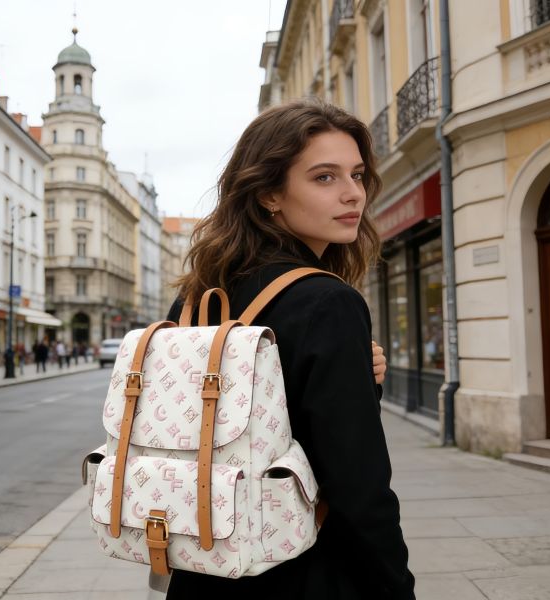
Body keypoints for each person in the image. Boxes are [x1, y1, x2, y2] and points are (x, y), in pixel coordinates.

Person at [162, 100, 414, 599]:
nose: (353, 193)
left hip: (203, 564)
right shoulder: (328, 302)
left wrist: (358, 380)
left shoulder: (197, 296)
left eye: (357, 175)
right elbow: (357, 483)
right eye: (324, 177)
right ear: (269, 194)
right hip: (301, 568)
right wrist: (396, 588)